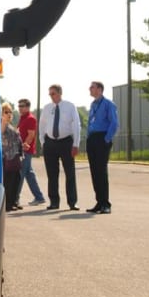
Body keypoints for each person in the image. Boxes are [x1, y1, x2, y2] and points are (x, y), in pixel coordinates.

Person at [38, 84, 80, 210]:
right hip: (50, 143)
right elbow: (42, 125)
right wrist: (43, 142)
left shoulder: (70, 106)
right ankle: (54, 202)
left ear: (60, 93)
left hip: (66, 142)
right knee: (52, 174)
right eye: (50, 94)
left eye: (53, 93)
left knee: (70, 173)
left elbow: (76, 125)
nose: (51, 96)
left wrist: (76, 144)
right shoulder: (47, 108)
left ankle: (72, 202)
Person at [86, 81, 118, 214]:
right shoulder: (93, 104)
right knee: (94, 171)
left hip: (102, 138)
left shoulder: (108, 104)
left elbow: (114, 123)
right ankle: (99, 202)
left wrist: (107, 139)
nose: (90, 89)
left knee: (101, 171)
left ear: (99, 89)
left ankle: (106, 203)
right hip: (92, 138)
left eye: (92, 87)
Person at [14, 98, 46, 206]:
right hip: (21, 150)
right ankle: (39, 197)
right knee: (29, 174)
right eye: (19, 106)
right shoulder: (22, 118)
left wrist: (24, 147)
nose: (20, 108)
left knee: (20, 174)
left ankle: (15, 198)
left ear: (28, 107)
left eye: (22, 106)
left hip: (26, 151)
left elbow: (31, 135)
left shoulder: (30, 118)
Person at [0, 101, 24, 212]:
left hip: (15, 156)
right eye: (6, 112)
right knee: (9, 181)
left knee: (16, 180)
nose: (9, 114)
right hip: (7, 157)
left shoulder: (11, 125)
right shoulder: (2, 125)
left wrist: (23, 146)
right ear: (1, 113)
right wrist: (3, 120)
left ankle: (13, 201)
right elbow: (1, 133)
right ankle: (8, 204)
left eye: (10, 111)